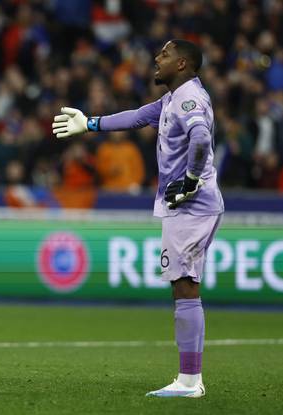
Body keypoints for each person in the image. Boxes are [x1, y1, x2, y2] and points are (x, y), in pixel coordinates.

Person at [52, 39, 223, 398]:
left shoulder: (189, 98)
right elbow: (140, 116)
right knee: (183, 285)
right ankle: (189, 379)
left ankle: (190, 381)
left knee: (185, 286)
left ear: (183, 64)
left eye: (165, 54)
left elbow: (201, 137)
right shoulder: (173, 99)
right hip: (186, 205)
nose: (156, 59)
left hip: (192, 206)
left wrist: (191, 180)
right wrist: (91, 123)